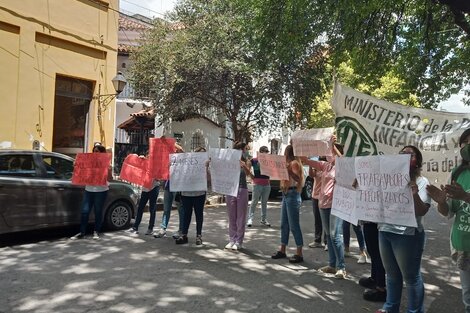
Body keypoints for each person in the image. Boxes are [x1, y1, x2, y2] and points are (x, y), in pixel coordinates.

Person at [376, 145, 431, 313]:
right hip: (385, 231)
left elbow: (422, 210)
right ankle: (391, 307)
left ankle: (414, 311)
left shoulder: (422, 182)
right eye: (402, 154)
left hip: (407, 235)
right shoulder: (387, 180)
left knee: (411, 277)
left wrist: (413, 193)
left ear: (418, 162)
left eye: (410, 155)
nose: (405, 157)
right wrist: (362, 187)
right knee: (392, 275)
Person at [427, 128, 470, 313]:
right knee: (468, 297)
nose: (468, 145)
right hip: (463, 246)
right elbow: (448, 212)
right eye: (465, 142)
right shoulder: (457, 173)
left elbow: (463, 198)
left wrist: (466, 197)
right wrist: (442, 202)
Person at [302, 141, 347, 278]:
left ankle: (341, 267)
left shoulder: (341, 166)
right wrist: (301, 146)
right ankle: (332, 265)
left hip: (336, 205)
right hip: (323, 204)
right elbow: (305, 160)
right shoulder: (325, 166)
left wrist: (332, 145)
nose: (327, 154)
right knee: (328, 235)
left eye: (330, 152)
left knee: (335, 235)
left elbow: (342, 161)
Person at [271, 144, 305, 263]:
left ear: (288, 153)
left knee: (294, 225)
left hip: (292, 194)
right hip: (286, 194)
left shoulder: (294, 163)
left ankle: (299, 253)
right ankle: (283, 249)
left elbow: (298, 179)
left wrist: (288, 170)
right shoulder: (287, 164)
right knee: (284, 224)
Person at [71, 144, 112, 240]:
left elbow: (110, 178)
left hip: (101, 190)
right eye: (94, 151)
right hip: (88, 189)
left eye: (97, 151)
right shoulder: (88, 162)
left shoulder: (106, 163)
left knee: (98, 212)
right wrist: (77, 166)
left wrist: (109, 170)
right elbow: (81, 173)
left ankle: (96, 231)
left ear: (102, 153)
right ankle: (82, 232)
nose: (95, 153)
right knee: (84, 211)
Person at [175, 147, 209, 246]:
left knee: (199, 215)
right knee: (186, 214)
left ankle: (199, 236)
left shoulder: (206, 164)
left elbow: (209, 179)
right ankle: (184, 235)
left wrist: (206, 168)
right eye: (200, 154)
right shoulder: (187, 163)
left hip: (200, 194)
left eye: (204, 154)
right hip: (186, 194)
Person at [154, 143, 185, 239]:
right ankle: (163, 229)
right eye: (173, 149)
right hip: (169, 186)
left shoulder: (182, 159)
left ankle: (181, 230)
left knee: (180, 209)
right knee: (166, 209)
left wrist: (173, 144)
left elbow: (183, 151)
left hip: (178, 187)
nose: (174, 151)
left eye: (176, 150)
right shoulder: (168, 159)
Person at [225, 141, 251, 251]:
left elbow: (249, 174)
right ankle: (232, 239)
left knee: (241, 217)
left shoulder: (247, 160)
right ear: (240, 149)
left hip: (242, 189)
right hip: (230, 189)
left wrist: (243, 165)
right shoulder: (229, 160)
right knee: (232, 216)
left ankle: (239, 241)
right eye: (245, 149)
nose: (247, 151)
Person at [247, 146, 271, 227]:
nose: (266, 153)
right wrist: (251, 176)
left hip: (267, 184)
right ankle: (250, 219)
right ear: (260, 152)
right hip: (257, 184)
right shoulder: (254, 160)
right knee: (254, 202)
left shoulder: (269, 161)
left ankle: (263, 220)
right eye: (265, 151)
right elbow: (248, 168)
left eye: (267, 152)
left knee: (264, 202)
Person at [308, 158, 327, 249]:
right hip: (315, 196)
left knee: (326, 220)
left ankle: (327, 242)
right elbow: (311, 175)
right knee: (317, 220)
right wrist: (310, 165)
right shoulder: (317, 167)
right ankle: (317, 240)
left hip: (324, 197)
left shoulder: (328, 167)